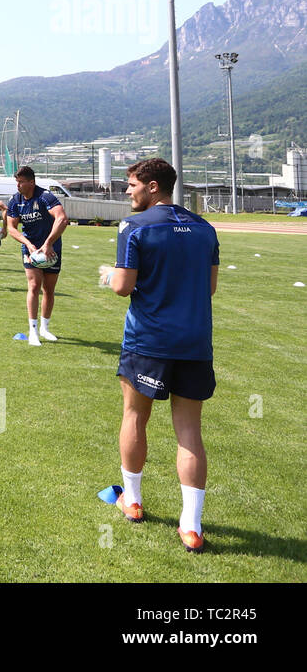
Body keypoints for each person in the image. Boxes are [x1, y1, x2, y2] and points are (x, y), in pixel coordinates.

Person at [105, 158, 219, 554]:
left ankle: (132, 501)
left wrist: (109, 275)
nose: (126, 190)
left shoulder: (133, 227)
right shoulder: (205, 228)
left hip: (148, 342)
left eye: (131, 184)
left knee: (135, 416)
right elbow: (210, 288)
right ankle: (191, 526)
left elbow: (122, 287)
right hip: (194, 344)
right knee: (190, 432)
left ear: (153, 187)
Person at [6, 165, 68, 347]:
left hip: (52, 249)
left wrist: (48, 244)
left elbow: (62, 219)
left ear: (32, 182)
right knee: (34, 286)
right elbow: (11, 228)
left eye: (21, 182)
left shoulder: (45, 196)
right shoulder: (15, 201)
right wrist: (29, 245)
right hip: (31, 249)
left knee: (49, 289)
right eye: (16, 182)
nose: (18, 185)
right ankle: (32, 331)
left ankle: (44, 328)